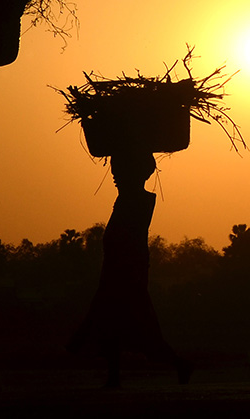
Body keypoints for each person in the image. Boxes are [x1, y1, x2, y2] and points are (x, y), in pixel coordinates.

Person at [67, 150, 192, 387]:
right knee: (113, 323)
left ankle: (176, 364)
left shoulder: (136, 201)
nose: (114, 174)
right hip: (118, 271)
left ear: (134, 173)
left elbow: (126, 242)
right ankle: (116, 375)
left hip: (126, 274)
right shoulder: (129, 199)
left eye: (119, 170)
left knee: (131, 325)